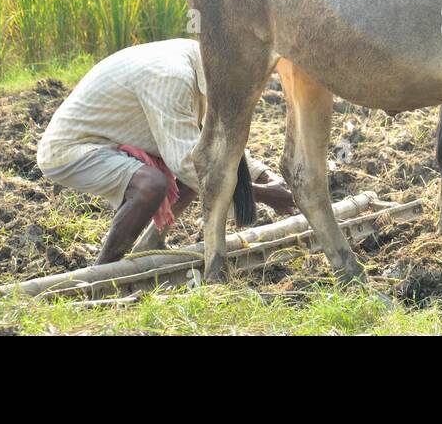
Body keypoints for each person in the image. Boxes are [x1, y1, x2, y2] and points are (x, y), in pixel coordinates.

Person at [36, 38, 295, 264]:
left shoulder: (199, 61)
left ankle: (151, 243)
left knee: (200, 162)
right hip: (73, 150)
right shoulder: (171, 77)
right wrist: (262, 195)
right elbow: (187, 163)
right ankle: (103, 271)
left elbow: (215, 140)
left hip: (117, 137)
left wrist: (264, 176)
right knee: (152, 185)